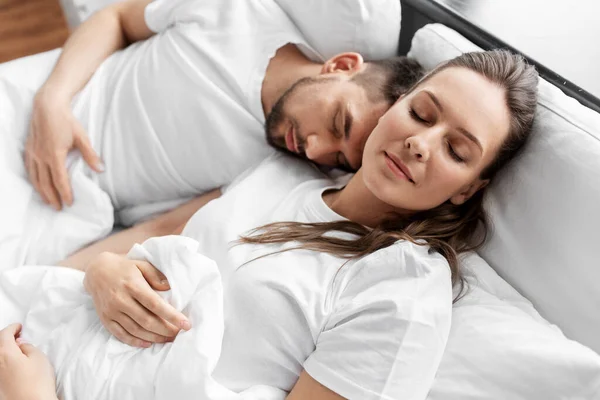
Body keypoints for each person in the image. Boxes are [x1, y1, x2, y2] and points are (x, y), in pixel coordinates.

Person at [2, 50, 538, 399]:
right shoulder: (280, 174)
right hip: (38, 341)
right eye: (422, 114)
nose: (421, 143)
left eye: (457, 149)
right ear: (397, 105)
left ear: (468, 188)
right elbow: (158, 229)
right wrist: (101, 268)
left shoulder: (400, 291)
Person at [24, 0, 423, 216]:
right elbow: (116, 17)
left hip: (60, 204)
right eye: (339, 124)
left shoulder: (283, 173)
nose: (316, 149)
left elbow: (164, 226)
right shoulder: (239, 13)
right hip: (36, 104)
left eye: (338, 158)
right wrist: (53, 101)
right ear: (340, 67)